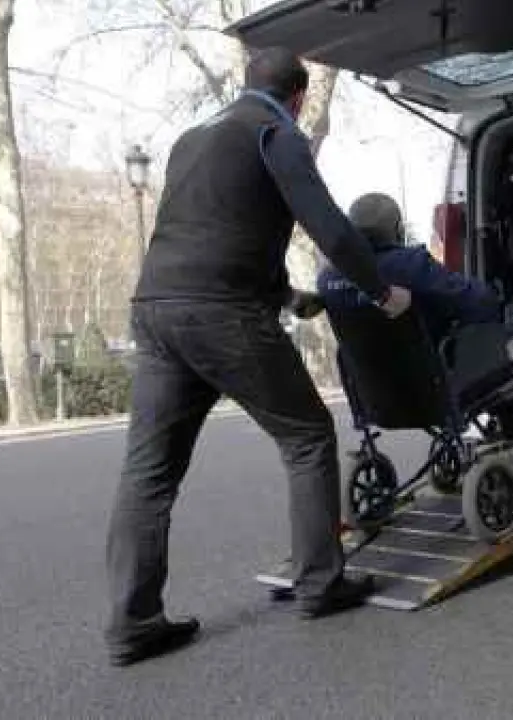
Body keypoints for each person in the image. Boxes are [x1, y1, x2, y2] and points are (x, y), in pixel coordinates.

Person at [104, 48, 412, 667]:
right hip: (221, 314)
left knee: (149, 472)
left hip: (157, 309)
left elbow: (222, 230)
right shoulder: (277, 133)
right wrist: (383, 292)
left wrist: (288, 297)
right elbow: (330, 227)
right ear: (298, 98)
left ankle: (133, 623)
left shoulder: (193, 139)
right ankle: (321, 583)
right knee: (308, 436)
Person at [317, 193, 513, 434]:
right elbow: (480, 304)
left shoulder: (329, 279)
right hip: (439, 387)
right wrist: (492, 293)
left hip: (380, 400)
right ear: (397, 229)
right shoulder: (411, 264)